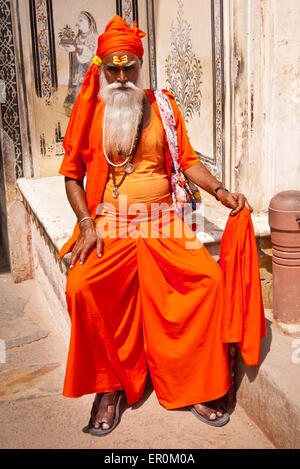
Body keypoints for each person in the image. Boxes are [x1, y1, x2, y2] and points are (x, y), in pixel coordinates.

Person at [58, 15, 254, 436]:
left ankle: (195, 385)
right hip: (109, 221)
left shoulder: (162, 104)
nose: (123, 76)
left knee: (207, 282)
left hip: (163, 220)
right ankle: (109, 387)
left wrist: (221, 192)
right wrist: (87, 223)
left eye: (130, 68)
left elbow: (187, 160)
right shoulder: (90, 107)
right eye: (114, 68)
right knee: (82, 287)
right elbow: (72, 175)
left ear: (140, 66)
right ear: (101, 66)